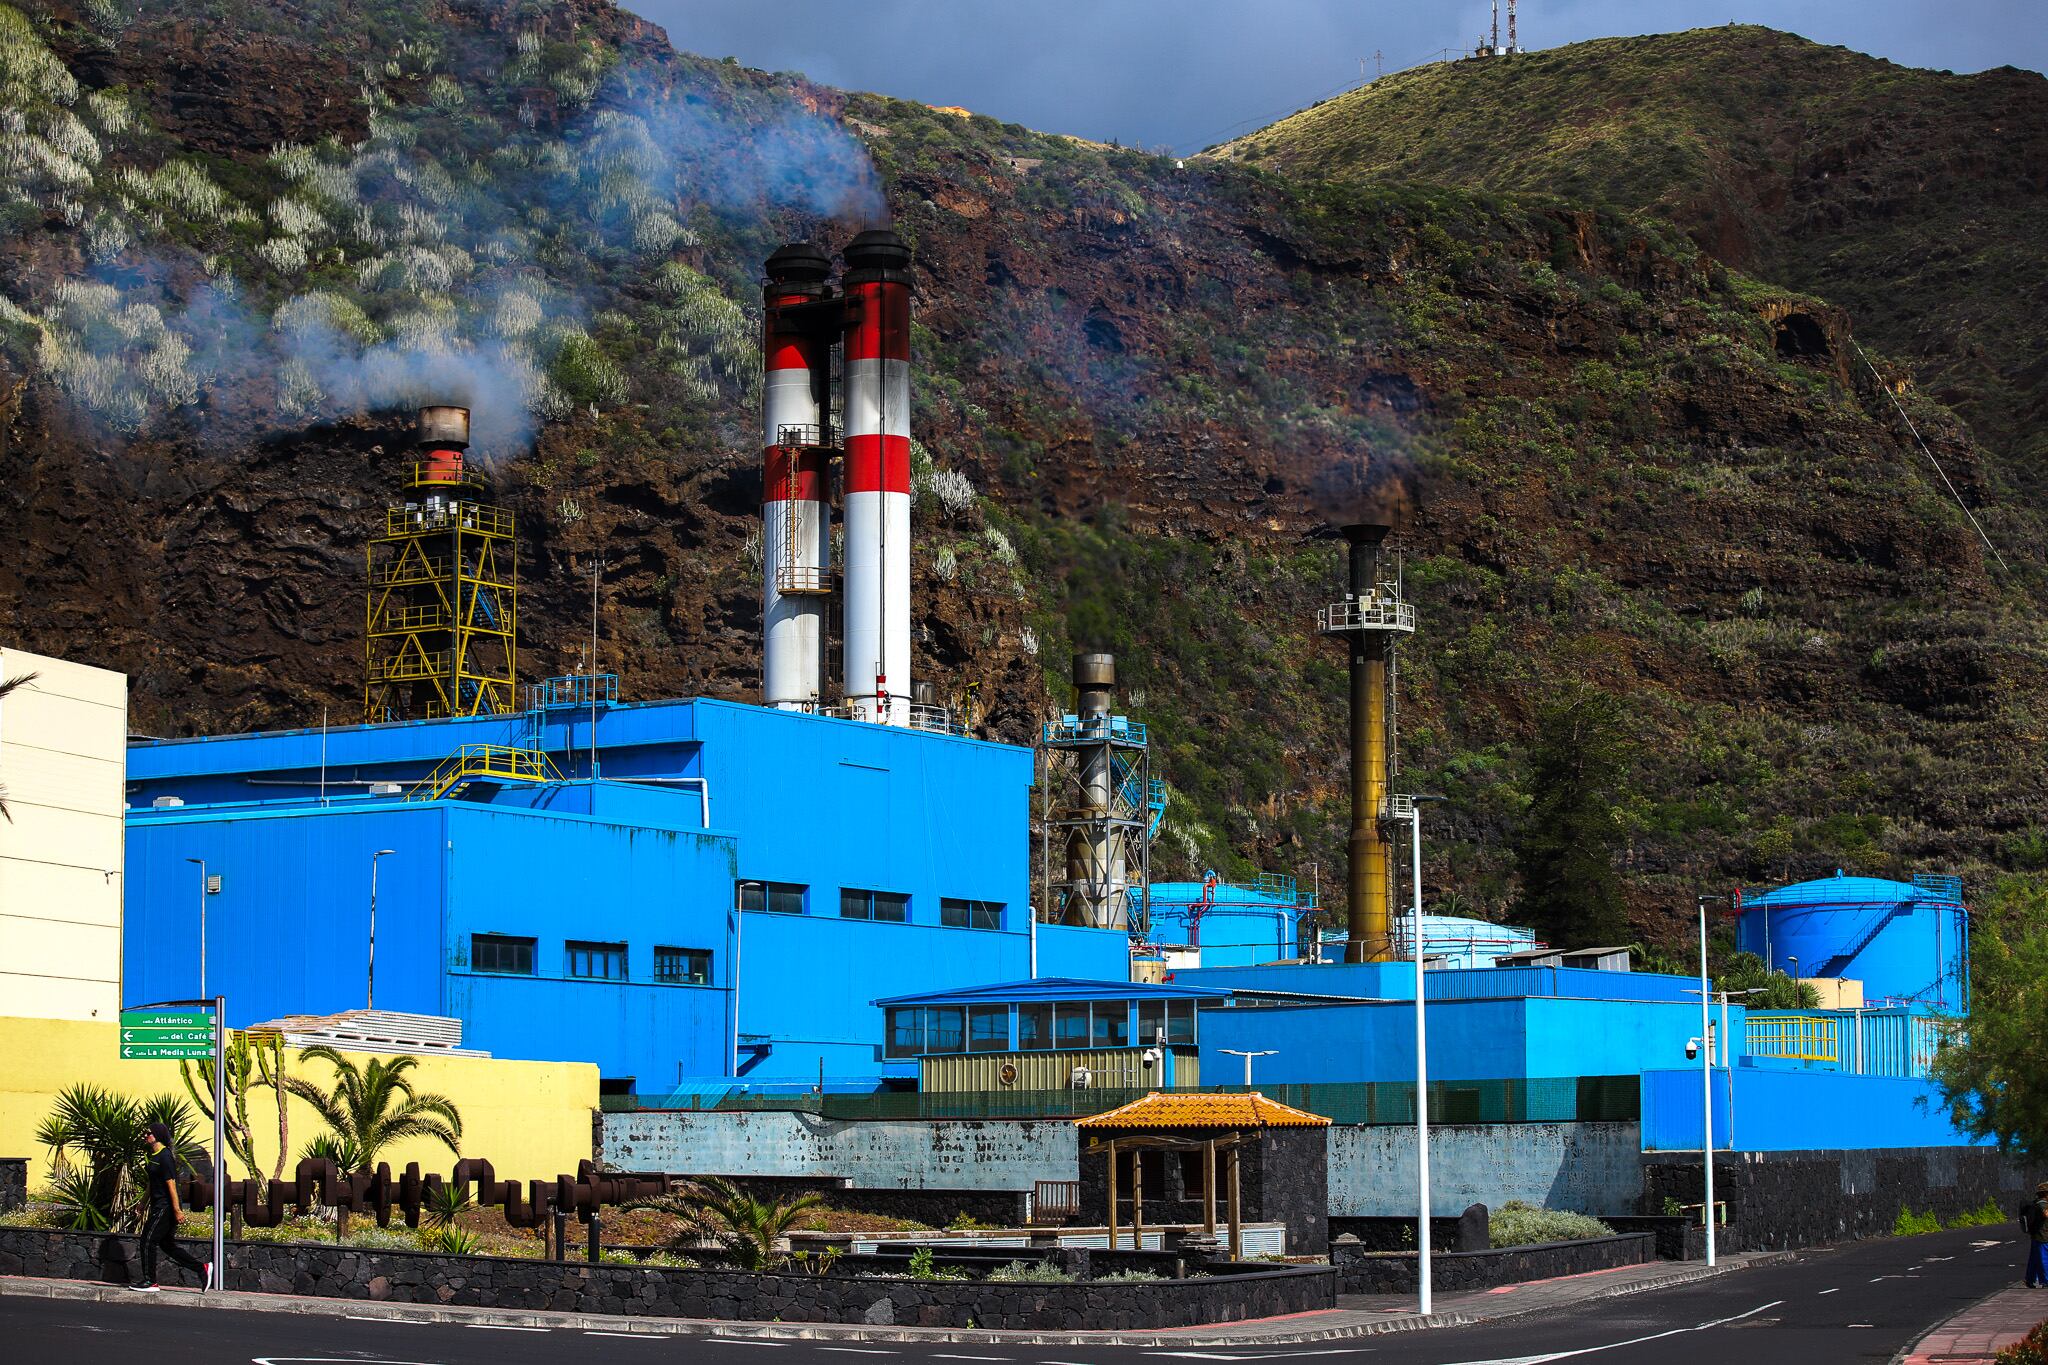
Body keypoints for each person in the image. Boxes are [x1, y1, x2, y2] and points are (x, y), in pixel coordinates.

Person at [131, 1122, 211, 1292]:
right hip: (158, 1204)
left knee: (148, 1240)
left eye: (148, 1133)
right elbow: (152, 1183)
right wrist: (143, 1202)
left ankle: (150, 1281)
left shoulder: (165, 1157)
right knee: (167, 1245)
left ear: (158, 1135)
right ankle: (201, 1269)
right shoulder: (155, 1156)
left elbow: (171, 1184)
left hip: (165, 1206)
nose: (145, 1136)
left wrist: (176, 1210)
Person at [2023, 1182, 2048, 1289]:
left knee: (2034, 1259)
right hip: (2042, 1235)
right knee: (2044, 1259)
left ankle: (2029, 1279)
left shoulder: (2037, 1203)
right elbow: (2046, 1214)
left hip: (2037, 1235)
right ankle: (2045, 1281)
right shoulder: (2042, 1203)